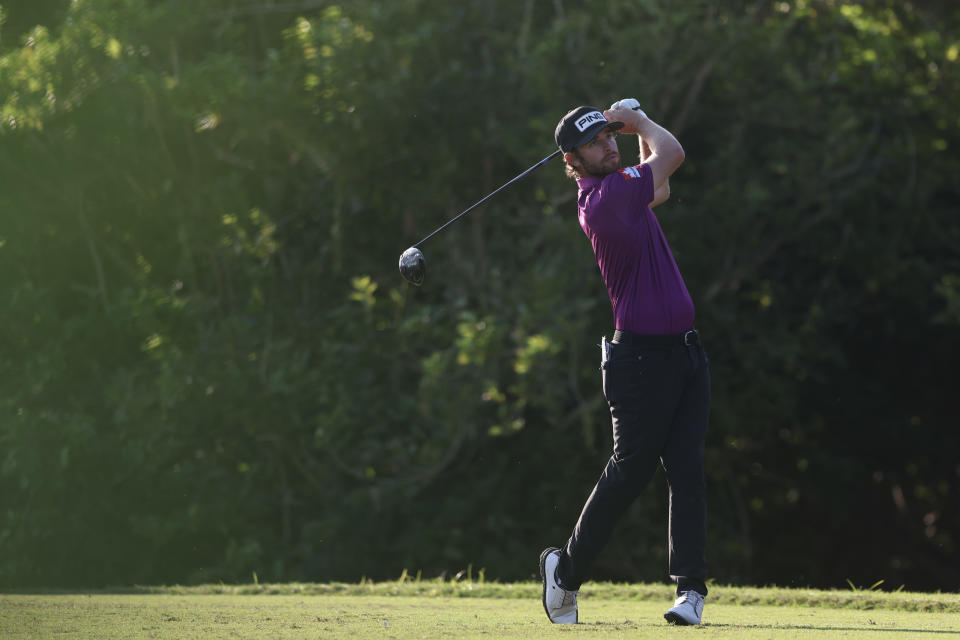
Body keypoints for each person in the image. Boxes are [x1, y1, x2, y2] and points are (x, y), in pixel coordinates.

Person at [539, 101, 710, 626]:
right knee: (631, 471)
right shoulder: (605, 199)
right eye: (596, 143)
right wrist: (638, 121)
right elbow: (672, 153)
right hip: (640, 360)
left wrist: (632, 129)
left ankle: (690, 593)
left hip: (684, 352)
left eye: (611, 136)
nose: (608, 146)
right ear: (573, 159)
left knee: (687, 468)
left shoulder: (625, 192)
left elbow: (657, 186)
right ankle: (565, 573)